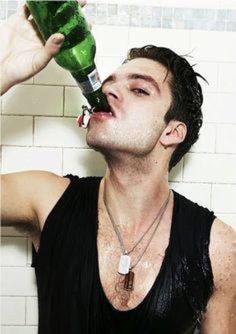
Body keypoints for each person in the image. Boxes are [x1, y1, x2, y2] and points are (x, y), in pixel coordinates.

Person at [1, 2, 235, 334]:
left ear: (172, 132)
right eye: (109, 82)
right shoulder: (47, 199)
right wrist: (1, 70)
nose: (107, 89)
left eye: (139, 89)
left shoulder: (218, 247)